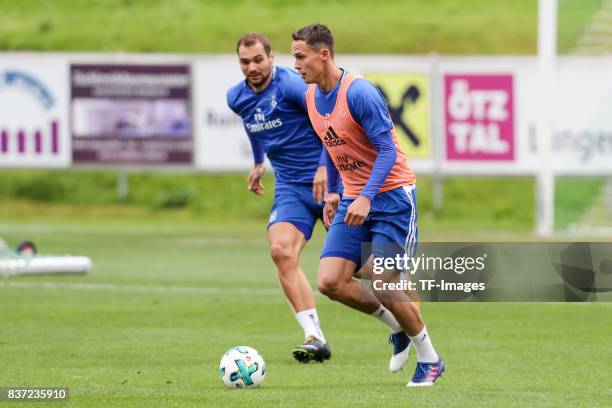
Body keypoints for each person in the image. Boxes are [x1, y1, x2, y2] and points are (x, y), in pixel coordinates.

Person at [291, 23, 444, 386]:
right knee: (331, 282)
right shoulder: (312, 96)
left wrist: (365, 196)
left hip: (391, 197)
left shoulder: (359, 93)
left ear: (323, 54)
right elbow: (331, 143)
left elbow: (390, 150)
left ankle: (431, 359)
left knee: (383, 280)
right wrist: (333, 192)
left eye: (300, 56)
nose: (295, 64)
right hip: (351, 197)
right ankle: (398, 327)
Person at [227, 32, 331, 363]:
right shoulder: (236, 97)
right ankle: (314, 336)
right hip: (290, 187)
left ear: (272, 58)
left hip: (330, 182)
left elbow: (328, 122)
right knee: (280, 251)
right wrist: (259, 162)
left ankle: (399, 323)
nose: (252, 67)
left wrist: (324, 166)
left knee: (358, 270)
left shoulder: (291, 87)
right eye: (245, 62)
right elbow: (252, 122)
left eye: (258, 60)